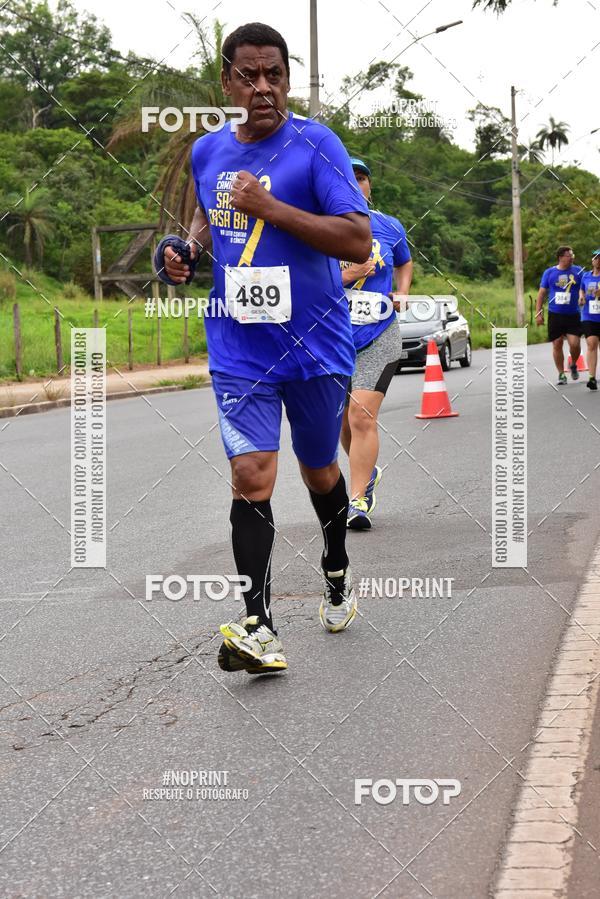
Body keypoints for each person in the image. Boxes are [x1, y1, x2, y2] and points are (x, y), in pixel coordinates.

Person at [156, 23, 372, 674]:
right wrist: (189, 249)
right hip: (239, 344)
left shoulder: (317, 146)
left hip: (315, 345)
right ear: (226, 83)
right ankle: (259, 625)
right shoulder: (207, 151)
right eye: (248, 75)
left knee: (319, 472)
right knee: (252, 474)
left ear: (287, 78)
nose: (263, 87)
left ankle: (336, 567)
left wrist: (269, 208)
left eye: (274, 74)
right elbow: (208, 212)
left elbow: (358, 240)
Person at [340, 158, 413, 529]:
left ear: (370, 185)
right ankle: (365, 474)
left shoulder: (389, 226)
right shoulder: (317, 225)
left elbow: (404, 262)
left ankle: (357, 500)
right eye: (347, 177)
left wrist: (401, 292)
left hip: (379, 333)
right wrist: (350, 273)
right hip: (331, 338)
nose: (355, 183)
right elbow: (306, 282)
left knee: (361, 415)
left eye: (362, 177)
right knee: (340, 423)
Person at [535, 246, 583, 385]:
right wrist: (538, 313)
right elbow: (541, 294)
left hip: (573, 314)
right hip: (555, 314)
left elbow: (585, 287)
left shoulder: (578, 271)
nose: (572, 257)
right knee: (557, 343)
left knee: (574, 344)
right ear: (561, 257)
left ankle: (573, 364)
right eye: (569, 255)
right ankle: (561, 374)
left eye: (572, 255)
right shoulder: (549, 273)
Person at [579, 249, 600, 391]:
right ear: (592, 260)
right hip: (589, 315)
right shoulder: (586, 276)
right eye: (596, 257)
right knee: (591, 343)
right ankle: (592, 378)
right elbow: (581, 289)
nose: (598, 260)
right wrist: (581, 297)